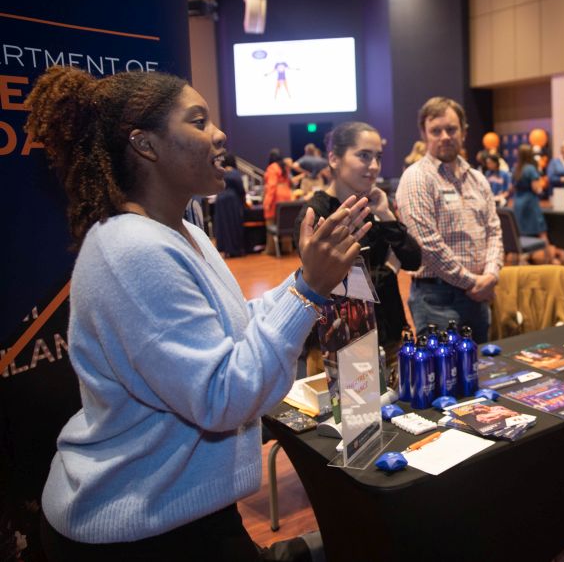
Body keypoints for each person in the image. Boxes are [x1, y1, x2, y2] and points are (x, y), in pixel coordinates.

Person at [25, 66, 371, 562]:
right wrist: (309, 292)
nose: (220, 133)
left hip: (178, 509)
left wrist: (301, 283)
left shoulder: (183, 232)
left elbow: (236, 326)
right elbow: (222, 397)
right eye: (198, 121)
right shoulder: (131, 248)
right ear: (146, 145)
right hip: (134, 528)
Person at [295, 121, 422, 388]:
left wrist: (386, 215)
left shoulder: (375, 206)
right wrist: (387, 268)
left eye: (377, 157)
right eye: (364, 155)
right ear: (333, 158)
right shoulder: (316, 212)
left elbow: (413, 259)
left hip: (388, 337)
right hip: (339, 343)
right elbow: (324, 280)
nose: (374, 166)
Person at [396, 97, 504, 344]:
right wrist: (474, 282)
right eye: (436, 131)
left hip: (479, 297)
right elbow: (427, 245)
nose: (444, 136)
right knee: (442, 379)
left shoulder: (477, 179)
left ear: (464, 132)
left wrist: (491, 274)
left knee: (479, 372)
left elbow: (494, 231)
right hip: (437, 300)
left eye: (451, 129)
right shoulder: (416, 178)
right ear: (424, 134)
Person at [512, 144, 564, 266]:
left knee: (522, 234)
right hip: (530, 204)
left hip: (518, 203)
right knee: (542, 233)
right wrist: (542, 186)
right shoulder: (531, 169)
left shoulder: (516, 168)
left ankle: (523, 259)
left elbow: (513, 187)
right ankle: (550, 260)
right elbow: (536, 188)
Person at [213, 154, 246, 257]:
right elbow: (241, 189)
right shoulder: (235, 173)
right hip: (232, 201)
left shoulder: (220, 173)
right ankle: (235, 249)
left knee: (223, 225)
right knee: (233, 225)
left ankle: (225, 249)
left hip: (220, 200)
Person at [262, 148, 292, 224]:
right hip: (287, 195)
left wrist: (267, 203)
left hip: (276, 198)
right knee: (285, 226)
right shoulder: (285, 167)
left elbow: (272, 186)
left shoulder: (272, 167)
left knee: (270, 226)